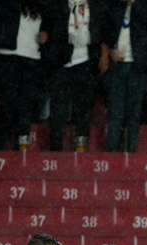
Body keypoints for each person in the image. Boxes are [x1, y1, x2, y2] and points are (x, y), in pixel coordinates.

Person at [100, 0, 147, 152]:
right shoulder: (115, 7)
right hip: (118, 66)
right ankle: (112, 152)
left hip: (138, 66)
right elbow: (106, 33)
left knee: (134, 112)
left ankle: (131, 151)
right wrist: (110, 52)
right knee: (116, 112)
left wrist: (136, 5)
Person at [0, 0, 52, 151]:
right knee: (6, 103)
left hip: (32, 57)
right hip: (8, 55)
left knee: (25, 105)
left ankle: (22, 148)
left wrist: (46, 36)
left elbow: (51, 26)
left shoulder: (42, 5)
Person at [45, 0, 101, 152]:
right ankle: (56, 151)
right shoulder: (59, 4)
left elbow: (101, 29)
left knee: (83, 109)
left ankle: (81, 148)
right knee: (58, 110)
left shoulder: (94, 5)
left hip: (85, 62)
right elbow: (51, 28)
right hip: (61, 62)